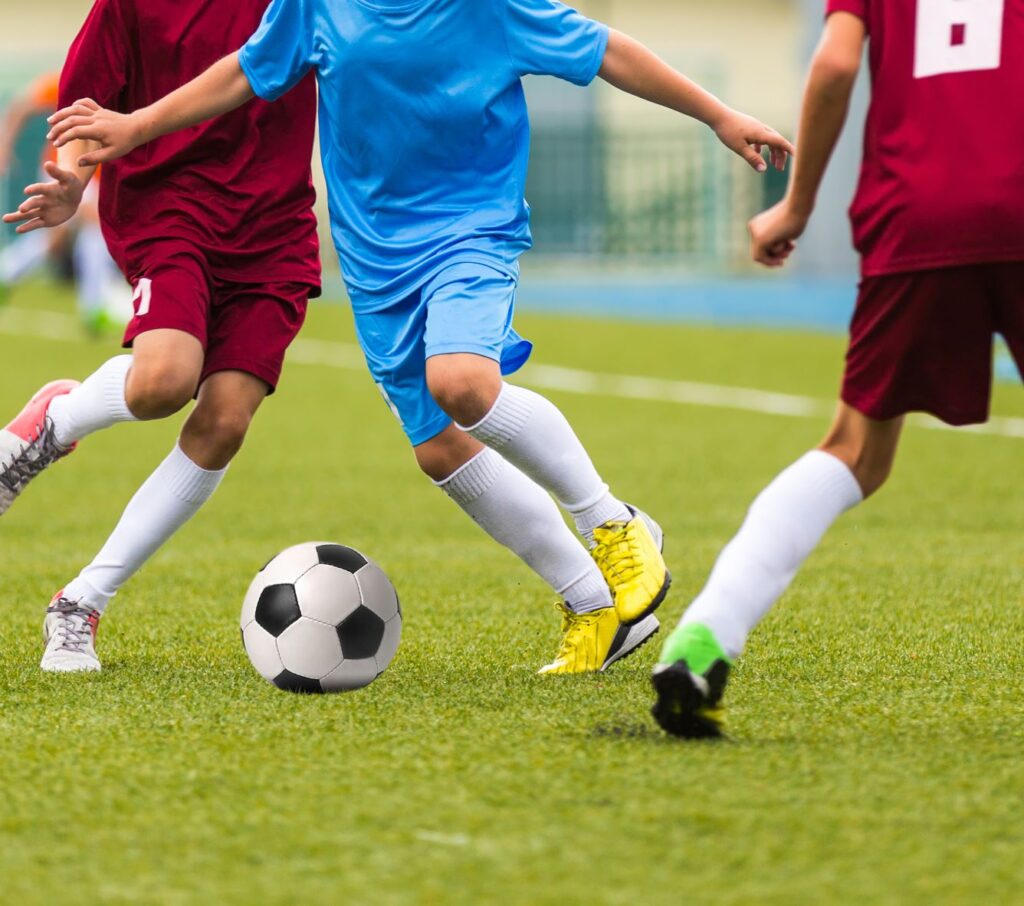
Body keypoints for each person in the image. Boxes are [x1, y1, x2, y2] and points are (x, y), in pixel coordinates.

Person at [47, 0, 793, 675]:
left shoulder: (491, 8)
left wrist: (718, 115)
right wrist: (135, 128)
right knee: (438, 445)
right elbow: (242, 74)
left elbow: (609, 51)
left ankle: (614, 522)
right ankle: (594, 607)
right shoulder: (314, 8)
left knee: (463, 384)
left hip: (471, 232)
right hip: (375, 258)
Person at [651, 0, 1024, 737]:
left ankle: (706, 636)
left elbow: (834, 64)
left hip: (914, 210)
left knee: (854, 450)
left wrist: (796, 207)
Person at [0, 0, 320, 673]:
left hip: (275, 227)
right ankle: (55, 425)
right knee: (163, 382)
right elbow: (85, 106)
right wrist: (72, 182)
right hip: (166, 205)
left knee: (226, 420)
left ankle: (80, 604)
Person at [0, 72, 125, 333]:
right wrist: (4, 145)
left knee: (56, 240)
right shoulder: (71, 77)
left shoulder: (127, 83)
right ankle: (94, 305)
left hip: (94, 175)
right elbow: (21, 106)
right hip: (64, 169)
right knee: (95, 226)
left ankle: (7, 272)